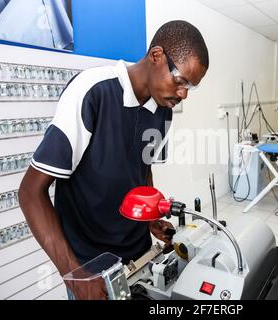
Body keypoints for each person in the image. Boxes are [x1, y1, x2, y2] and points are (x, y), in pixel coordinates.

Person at [18, 20, 209, 300]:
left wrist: (151, 218)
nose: (183, 94)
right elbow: (30, 192)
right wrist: (75, 275)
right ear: (156, 55)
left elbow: (142, 168)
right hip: (89, 263)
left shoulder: (163, 111)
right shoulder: (92, 91)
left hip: (139, 254)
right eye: (180, 80)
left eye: (190, 86)